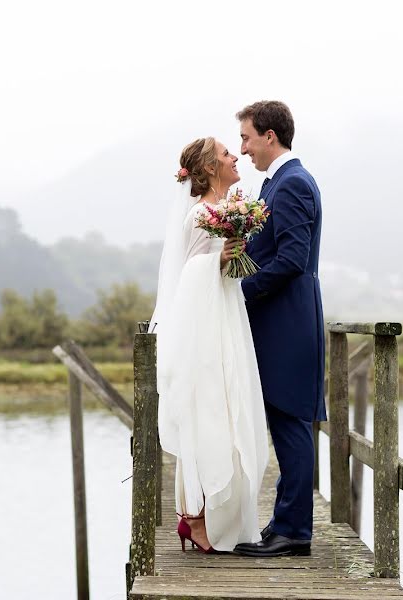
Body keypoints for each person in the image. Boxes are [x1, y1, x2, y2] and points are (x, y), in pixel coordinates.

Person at [150, 136, 269, 553]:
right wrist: (220, 259)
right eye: (225, 154)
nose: (234, 156)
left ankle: (221, 515)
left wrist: (232, 257)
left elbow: (225, 272)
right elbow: (188, 276)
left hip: (227, 317)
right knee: (209, 414)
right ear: (210, 168)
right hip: (204, 328)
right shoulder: (200, 215)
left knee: (234, 409)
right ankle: (194, 517)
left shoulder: (226, 212)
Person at [231, 101, 326, 558]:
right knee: (282, 420)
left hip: (288, 321)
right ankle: (284, 523)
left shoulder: (292, 185)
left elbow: (291, 260)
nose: (243, 148)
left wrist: (239, 292)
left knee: (290, 422)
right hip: (279, 321)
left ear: (270, 135)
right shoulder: (278, 184)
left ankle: (295, 533)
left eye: (247, 137)